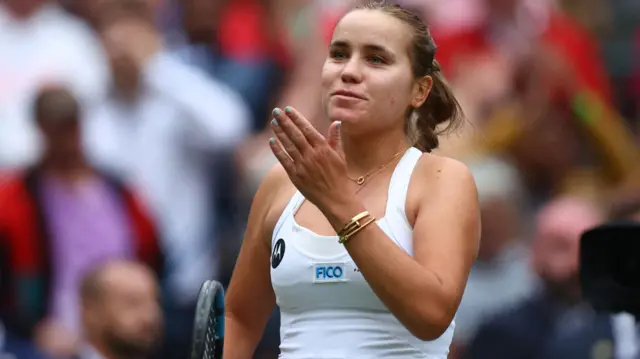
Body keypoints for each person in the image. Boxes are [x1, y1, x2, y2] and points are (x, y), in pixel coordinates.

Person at [224, 2, 481, 358]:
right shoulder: (281, 183)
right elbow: (240, 315)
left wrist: (338, 204)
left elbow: (431, 315)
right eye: (339, 54)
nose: (349, 71)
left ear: (419, 91)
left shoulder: (443, 180)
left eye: (376, 59)